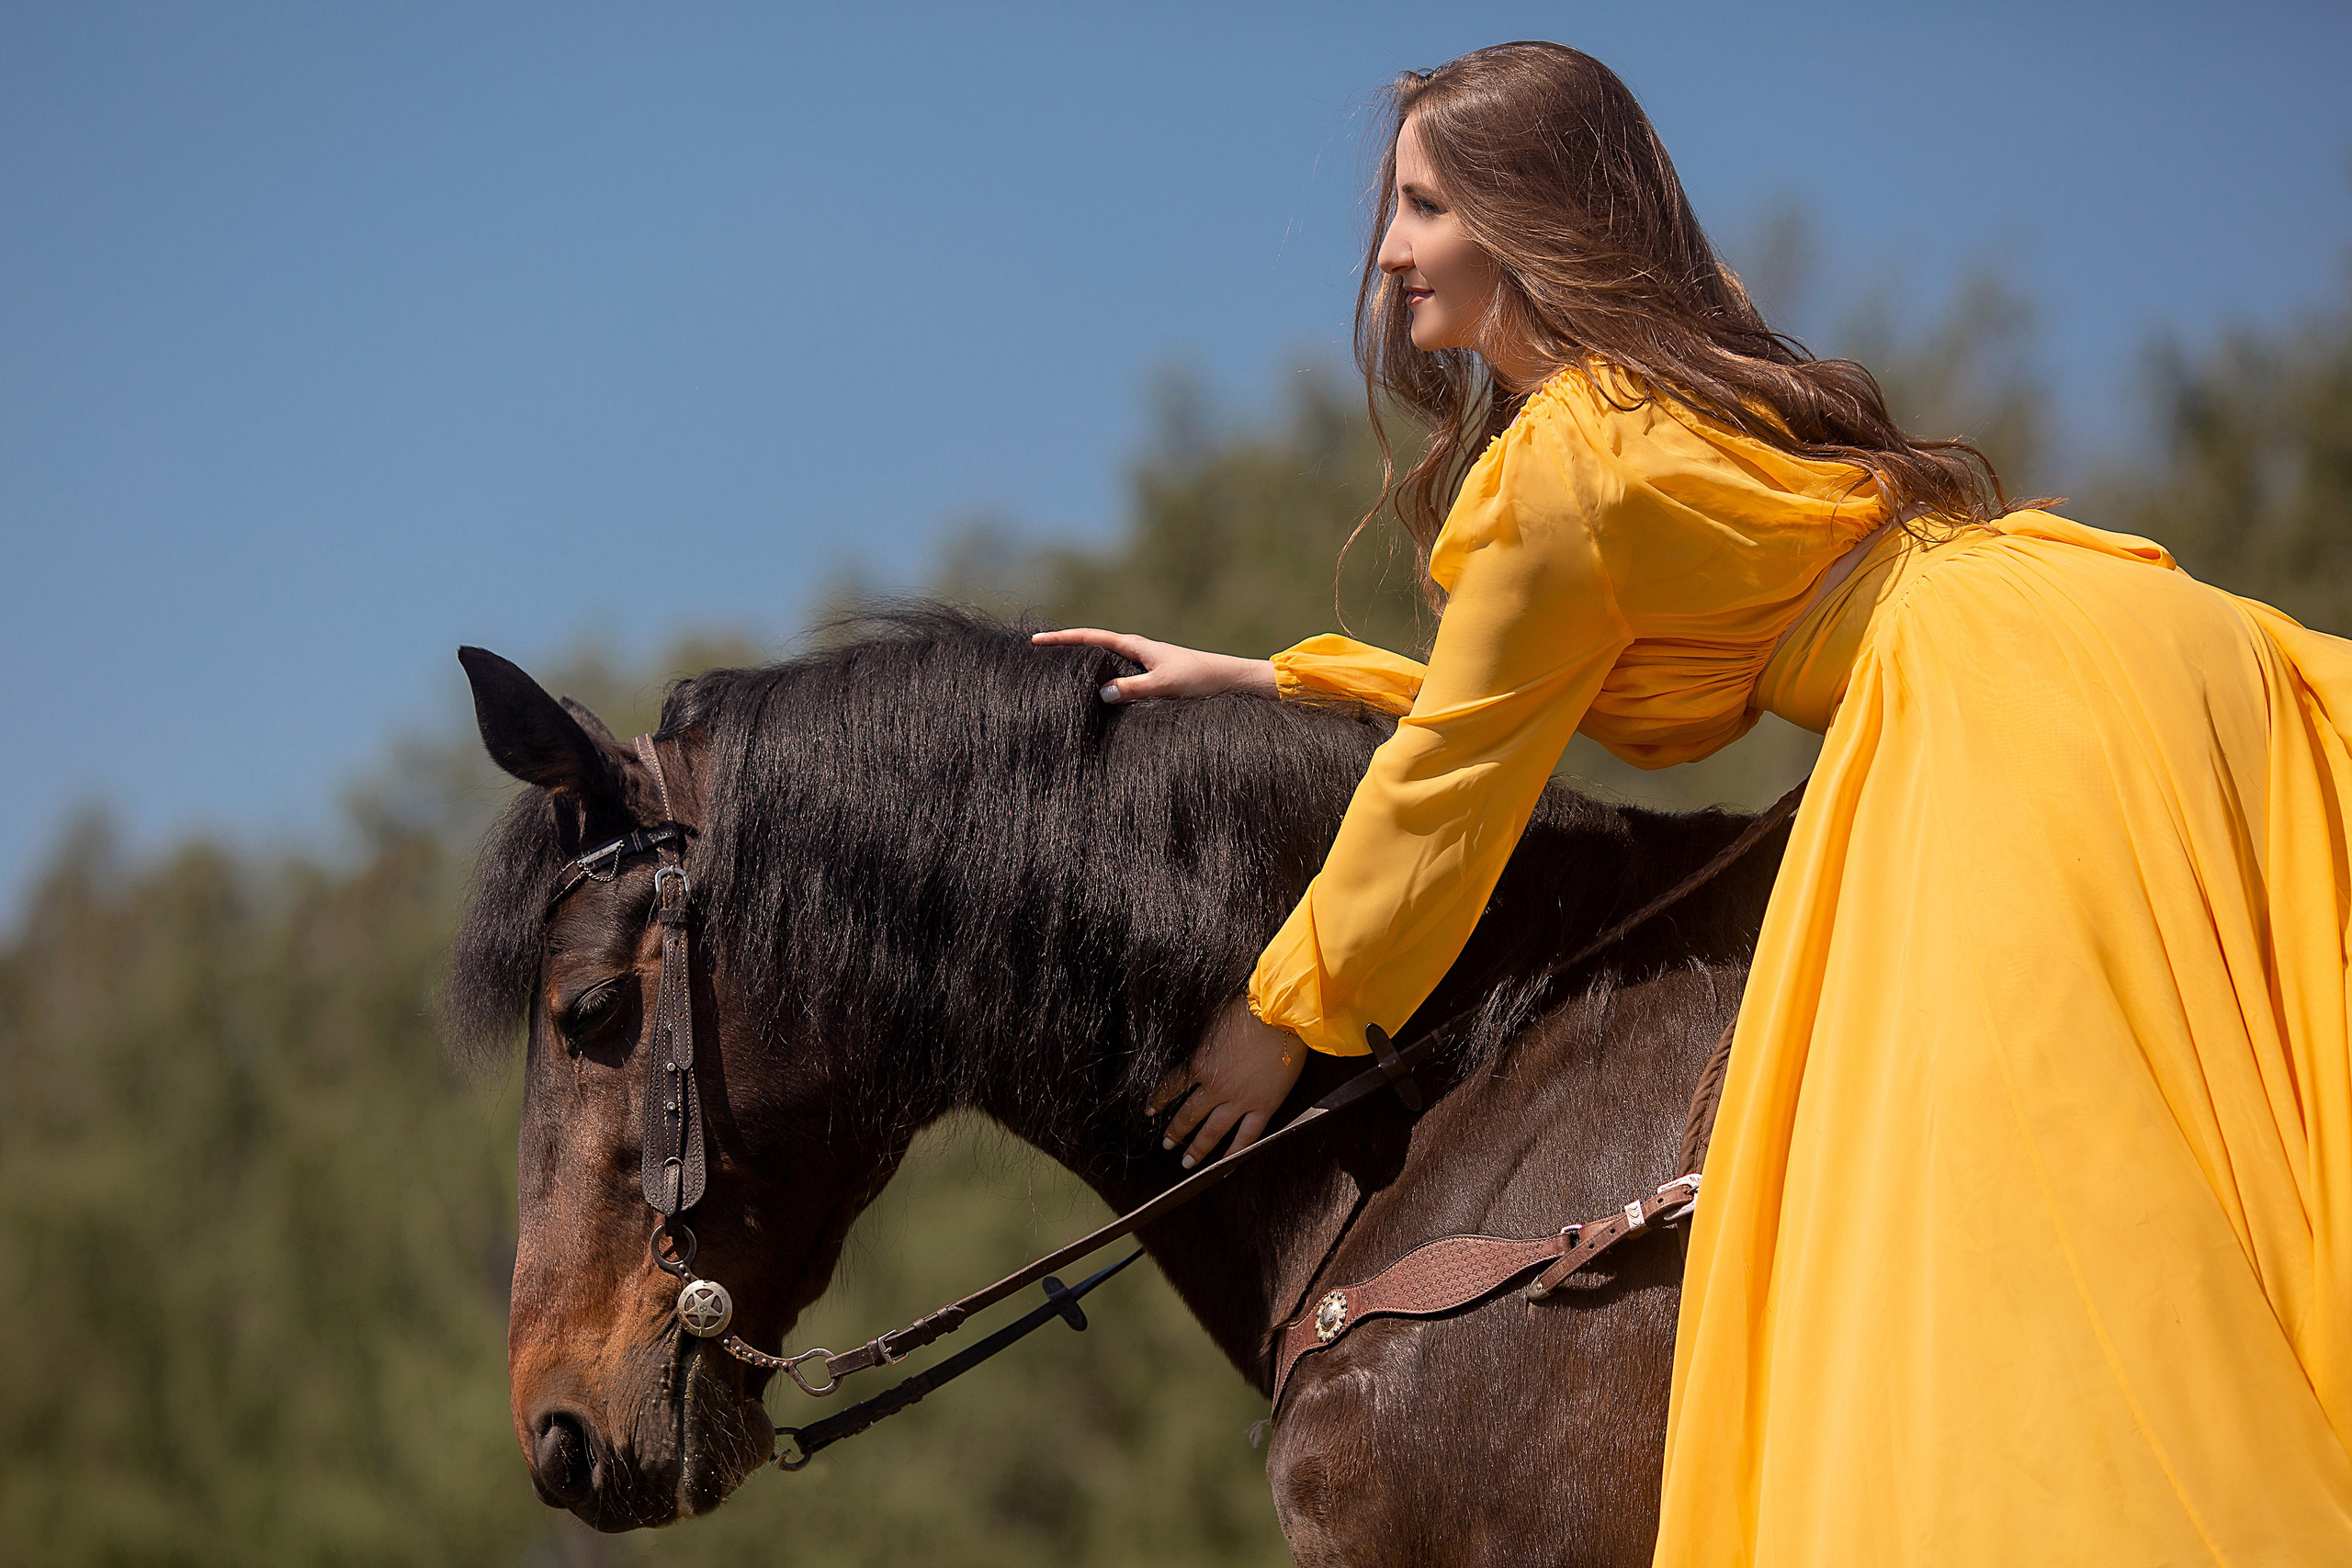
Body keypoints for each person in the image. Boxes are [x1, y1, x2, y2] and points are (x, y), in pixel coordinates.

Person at [1035, 39, 2352, 1565]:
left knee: (2021, 1164)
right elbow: (1499, 708)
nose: (1389, 252)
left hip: (2000, 713)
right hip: (2068, 638)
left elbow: (1458, 774)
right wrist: (1273, 677)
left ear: (1521, 218)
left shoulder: (1559, 474)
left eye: (1422, 207)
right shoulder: (1640, 394)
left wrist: (1286, 1014)